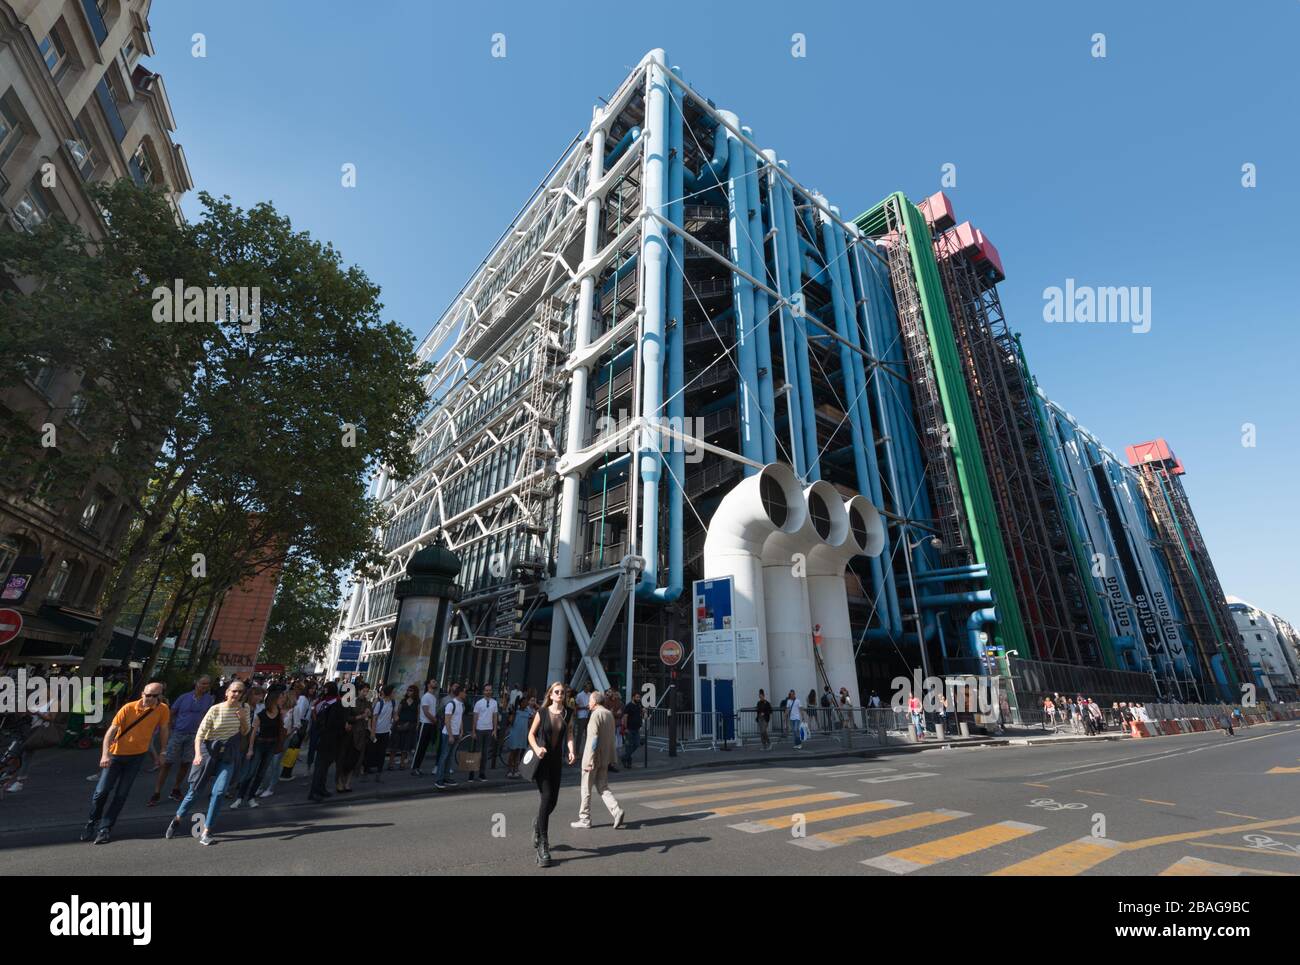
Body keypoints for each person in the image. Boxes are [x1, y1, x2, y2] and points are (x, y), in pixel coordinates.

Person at [83, 681, 170, 845]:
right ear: (142, 693)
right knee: (101, 791)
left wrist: (163, 751)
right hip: (115, 755)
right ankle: (92, 821)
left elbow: (164, 729)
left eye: (154, 696)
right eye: (147, 694)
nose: (149, 698)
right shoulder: (128, 708)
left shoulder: (163, 710)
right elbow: (110, 732)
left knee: (121, 794)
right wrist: (105, 755)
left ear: (160, 696)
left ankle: (105, 828)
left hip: (137, 757)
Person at [165, 680, 249, 846]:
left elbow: (245, 731)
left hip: (228, 753)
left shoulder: (244, 709)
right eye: (234, 691)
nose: (237, 695)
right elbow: (200, 734)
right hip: (208, 751)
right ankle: (177, 819)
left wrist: (243, 719)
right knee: (195, 791)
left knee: (219, 792)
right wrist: (197, 754)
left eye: (240, 692)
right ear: (227, 692)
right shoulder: (215, 709)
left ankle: (207, 831)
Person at [527, 681, 575, 867]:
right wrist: (537, 747)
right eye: (557, 692)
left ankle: (538, 822)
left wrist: (571, 750)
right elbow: (531, 734)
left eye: (563, 692)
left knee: (553, 801)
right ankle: (543, 845)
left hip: (556, 762)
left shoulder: (568, 713)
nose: (561, 694)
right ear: (551, 694)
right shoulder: (542, 713)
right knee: (546, 797)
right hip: (542, 761)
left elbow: (570, 734)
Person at [571, 690, 625, 830]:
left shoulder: (596, 714)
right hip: (605, 757)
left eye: (590, 700)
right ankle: (616, 810)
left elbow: (594, 738)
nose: (588, 702)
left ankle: (584, 818)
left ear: (594, 702)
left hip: (593, 758)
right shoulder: (608, 714)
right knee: (603, 786)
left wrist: (589, 759)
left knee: (586, 788)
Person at [232, 688, 285, 808]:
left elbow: (281, 730)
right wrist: (250, 749)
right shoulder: (261, 714)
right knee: (251, 772)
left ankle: (251, 798)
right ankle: (240, 798)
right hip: (260, 744)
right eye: (281, 698)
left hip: (271, 746)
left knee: (261, 773)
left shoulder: (280, 714)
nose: (283, 701)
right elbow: (254, 732)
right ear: (274, 700)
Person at [307, 682, 346, 803]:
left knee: (323, 766)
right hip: (328, 738)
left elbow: (316, 715)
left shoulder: (323, 702)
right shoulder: (334, 702)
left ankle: (320, 788)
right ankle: (314, 791)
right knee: (321, 767)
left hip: (326, 737)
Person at [434, 683, 465, 789]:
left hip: (455, 734)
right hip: (448, 734)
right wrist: (451, 735)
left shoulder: (461, 704)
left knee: (450, 756)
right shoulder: (451, 704)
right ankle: (439, 779)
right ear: (460, 693)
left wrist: (461, 731)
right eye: (464, 692)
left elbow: (460, 719)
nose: (465, 694)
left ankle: (446, 777)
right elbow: (447, 720)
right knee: (444, 756)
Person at [470, 684, 499, 782]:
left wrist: (494, 729)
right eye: (486, 690)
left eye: (490, 690)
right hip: (479, 729)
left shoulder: (494, 703)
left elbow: (495, 717)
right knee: (477, 752)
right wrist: (473, 731)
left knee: (485, 753)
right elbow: (475, 717)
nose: (488, 692)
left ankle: (482, 773)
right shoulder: (478, 703)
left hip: (489, 729)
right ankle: (472, 773)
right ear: (483, 692)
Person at [411, 679, 440, 776]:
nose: (435, 683)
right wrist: (434, 720)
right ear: (428, 685)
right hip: (425, 724)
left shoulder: (434, 697)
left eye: (435, 682)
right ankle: (414, 767)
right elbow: (426, 711)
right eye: (433, 682)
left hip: (431, 725)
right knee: (420, 747)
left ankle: (418, 767)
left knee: (424, 747)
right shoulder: (426, 696)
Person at [367, 684, 395, 779]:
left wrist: (395, 719)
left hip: (386, 731)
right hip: (378, 731)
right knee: (373, 750)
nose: (394, 694)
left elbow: (393, 715)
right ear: (389, 693)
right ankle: (368, 767)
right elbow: (374, 718)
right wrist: (373, 732)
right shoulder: (380, 703)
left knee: (382, 751)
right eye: (393, 692)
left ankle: (379, 769)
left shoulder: (393, 703)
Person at [504, 695, 535, 777]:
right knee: (513, 752)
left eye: (526, 702)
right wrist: (513, 713)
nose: (526, 704)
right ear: (520, 703)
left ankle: (516, 769)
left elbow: (533, 718)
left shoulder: (527, 711)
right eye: (524, 702)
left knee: (518, 753)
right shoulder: (515, 711)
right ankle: (509, 770)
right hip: (515, 734)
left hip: (523, 735)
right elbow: (510, 722)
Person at [392, 684, 419, 770]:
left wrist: (417, 724)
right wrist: (395, 719)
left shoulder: (417, 702)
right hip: (400, 723)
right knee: (395, 744)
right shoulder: (403, 701)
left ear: (414, 692)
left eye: (411, 690)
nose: (408, 692)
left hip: (411, 725)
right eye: (408, 690)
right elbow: (398, 711)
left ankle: (402, 763)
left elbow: (418, 714)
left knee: (406, 745)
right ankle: (391, 763)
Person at [621, 690, 643, 766]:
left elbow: (642, 714)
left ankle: (625, 757)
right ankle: (628, 761)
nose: (638, 699)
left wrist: (644, 712)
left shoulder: (639, 705)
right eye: (637, 697)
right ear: (633, 697)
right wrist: (625, 728)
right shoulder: (628, 706)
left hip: (636, 728)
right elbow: (625, 717)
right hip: (629, 729)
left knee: (636, 744)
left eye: (639, 697)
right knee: (628, 745)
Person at [575, 682, 593, 754]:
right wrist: (584, 707)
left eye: (589, 688)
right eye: (587, 688)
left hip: (589, 715)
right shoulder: (579, 695)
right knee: (580, 734)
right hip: (581, 716)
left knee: (588, 734)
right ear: (584, 687)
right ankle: (577, 751)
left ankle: (587, 751)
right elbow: (576, 706)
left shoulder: (590, 694)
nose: (588, 689)